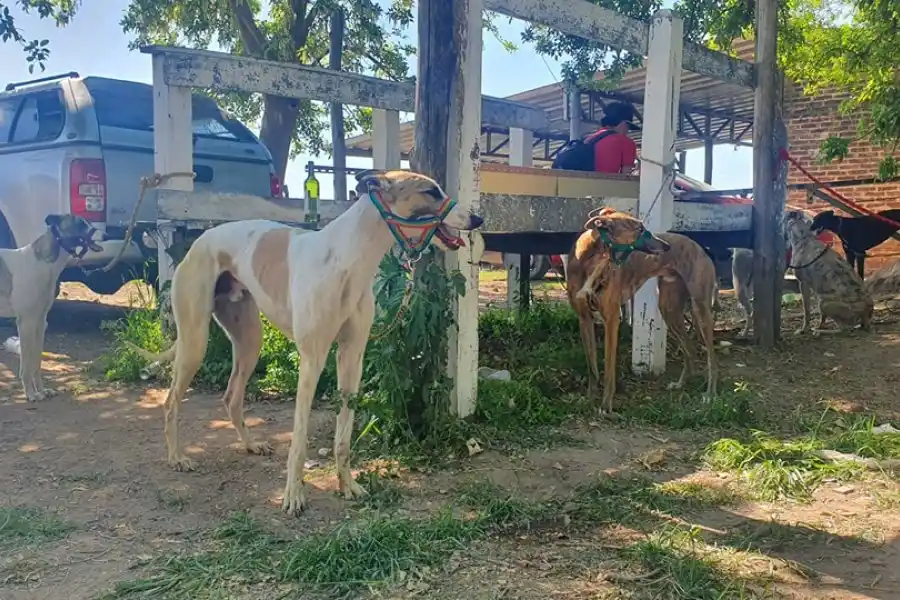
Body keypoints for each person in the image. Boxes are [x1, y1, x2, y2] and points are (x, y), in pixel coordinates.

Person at [584, 102, 639, 174]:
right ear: (624, 123)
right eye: (628, 127)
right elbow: (626, 176)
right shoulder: (627, 143)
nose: (627, 131)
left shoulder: (589, 139)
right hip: (608, 184)